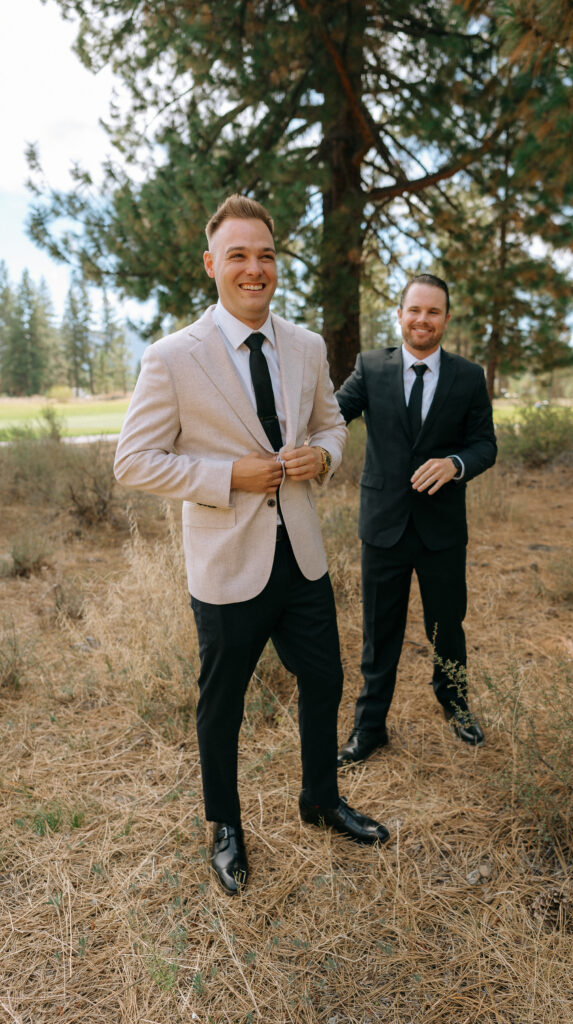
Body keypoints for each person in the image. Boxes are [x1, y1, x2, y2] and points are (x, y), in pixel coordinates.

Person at [114, 194, 388, 895]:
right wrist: (225, 475)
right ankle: (225, 825)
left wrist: (320, 458)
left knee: (324, 680)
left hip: (300, 554)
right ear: (212, 265)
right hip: (226, 563)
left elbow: (331, 425)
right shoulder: (172, 358)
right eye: (238, 255)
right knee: (223, 703)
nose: (254, 268)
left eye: (265, 255)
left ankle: (320, 800)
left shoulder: (306, 346)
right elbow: (134, 462)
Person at [335, 274, 497, 767]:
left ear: (446, 319)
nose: (422, 320)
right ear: (400, 314)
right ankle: (370, 727)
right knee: (379, 632)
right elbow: (331, 414)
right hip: (382, 525)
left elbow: (485, 445)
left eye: (433, 312)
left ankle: (455, 706)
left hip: (442, 530)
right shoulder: (370, 367)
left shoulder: (469, 377)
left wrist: (456, 464)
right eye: (414, 310)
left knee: (447, 625)